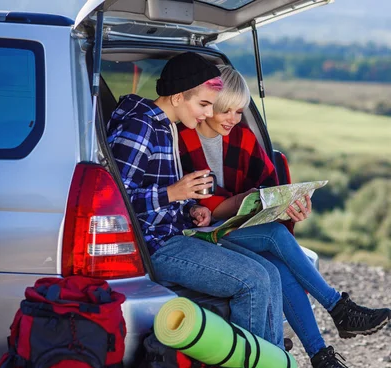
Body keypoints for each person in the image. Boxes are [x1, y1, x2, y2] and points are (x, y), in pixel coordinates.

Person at [178, 64, 391, 368]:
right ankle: (339, 308)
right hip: (196, 236)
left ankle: (322, 359)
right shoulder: (180, 140)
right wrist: (241, 201)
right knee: (275, 236)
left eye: (239, 111)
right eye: (226, 110)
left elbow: (271, 188)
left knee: (279, 267)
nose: (233, 119)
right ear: (205, 103)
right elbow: (196, 206)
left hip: (236, 231)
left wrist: (291, 204)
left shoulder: (242, 138)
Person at [106, 52, 285, 350]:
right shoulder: (142, 128)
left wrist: (190, 208)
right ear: (177, 97)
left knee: (269, 272)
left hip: (176, 234)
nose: (206, 114)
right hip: (154, 246)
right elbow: (116, 201)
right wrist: (173, 193)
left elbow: (157, 193)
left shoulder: (166, 128)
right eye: (203, 104)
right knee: (252, 282)